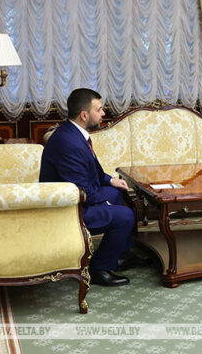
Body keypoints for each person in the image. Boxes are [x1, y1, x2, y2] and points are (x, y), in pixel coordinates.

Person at [40, 88, 146, 286]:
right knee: (125, 215)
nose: (103, 113)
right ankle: (99, 269)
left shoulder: (75, 133)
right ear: (84, 115)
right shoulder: (69, 144)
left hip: (79, 196)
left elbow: (95, 170)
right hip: (68, 209)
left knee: (116, 193)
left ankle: (122, 255)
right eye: (99, 110)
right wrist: (104, 202)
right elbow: (82, 192)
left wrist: (111, 181)